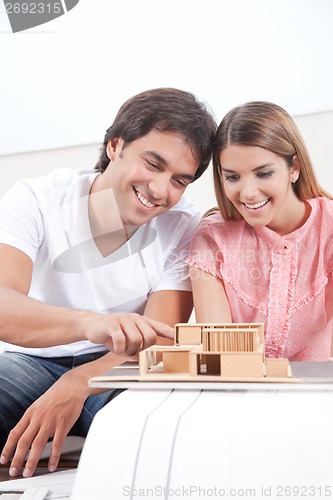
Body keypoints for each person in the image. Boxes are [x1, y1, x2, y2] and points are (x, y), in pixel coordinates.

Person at [0, 87, 217, 477]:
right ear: (115, 145)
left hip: (121, 366)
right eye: (153, 164)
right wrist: (90, 323)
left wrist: (80, 380)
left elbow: (161, 339)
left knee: (169, 428)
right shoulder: (37, 199)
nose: (160, 190)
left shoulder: (184, 226)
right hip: (31, 361)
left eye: (179, 180)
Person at [188, 101, 333, 362]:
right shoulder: (212, 238)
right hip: (238, 393)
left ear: (294, 167)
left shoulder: (329, 228)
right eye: (232, 177)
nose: (248, 193)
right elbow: (219, 355)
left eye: (263, 173)